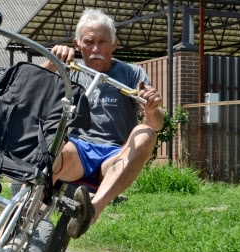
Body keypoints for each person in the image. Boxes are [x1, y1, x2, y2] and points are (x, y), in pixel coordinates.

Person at [41, 8, 164, 238]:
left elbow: (157, 124)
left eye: (102, 42)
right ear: (77, 44)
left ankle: (92, 211)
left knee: (146, 132)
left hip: (115, 158)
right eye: (89, 41)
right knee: (53, 146)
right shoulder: (70, 70)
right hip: (77, 151)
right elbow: (29, 91)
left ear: (114, 44)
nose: (96, 49)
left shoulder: (132, 74)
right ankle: (18, 222)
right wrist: (50, 63)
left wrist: (152, 109)